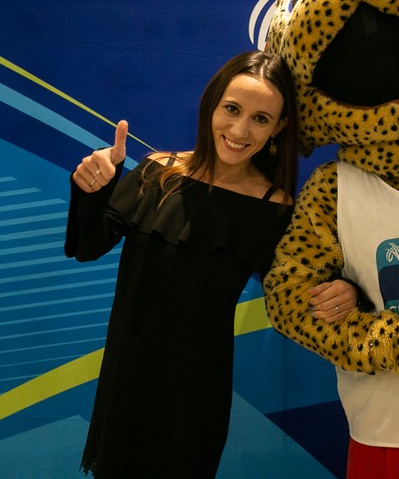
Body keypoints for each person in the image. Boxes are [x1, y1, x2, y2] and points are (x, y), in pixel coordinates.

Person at [64, 50, 358, 478]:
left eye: (260, 118)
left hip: (194, 394)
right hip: (127, 379)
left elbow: (306, 285)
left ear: (279, 127)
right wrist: (91, 189)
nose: (239, 130)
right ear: (212, 106)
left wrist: (348, 290)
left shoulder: (273, 207)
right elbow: (86, 246)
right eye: (232, 109)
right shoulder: (157, 172)